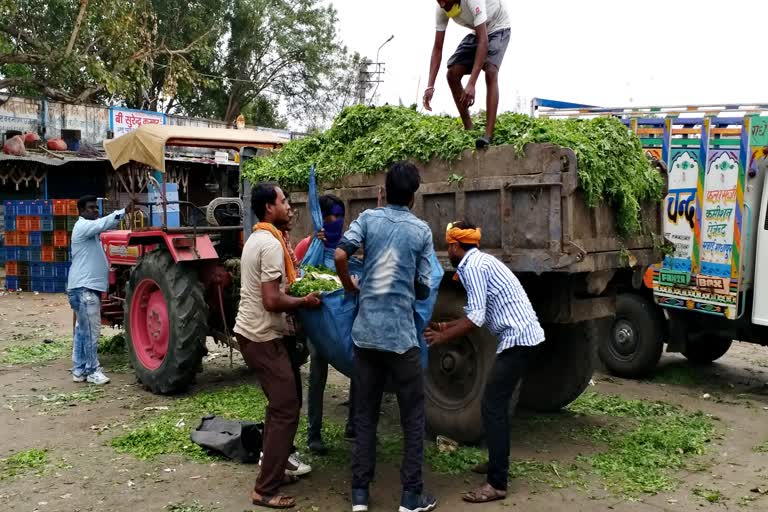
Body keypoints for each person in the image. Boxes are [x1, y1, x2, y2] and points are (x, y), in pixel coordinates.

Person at [335, 162, 437, 512]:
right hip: (401, 339)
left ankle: (360, 495)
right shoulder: (421, 231)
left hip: (365, 337)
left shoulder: (367, 220)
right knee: (412, 418)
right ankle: (411, 497)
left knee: (365, 415)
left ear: (385, 189)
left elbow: (339, 254)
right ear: (413, 195)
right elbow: (424, 288)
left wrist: (351, 285)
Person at [424, 220, 544, 504]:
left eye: (447, 245)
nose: (447, 250)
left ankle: (497, 483)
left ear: (454, 245)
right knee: (495, 405)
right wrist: (443, 327)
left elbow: (475, 319)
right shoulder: (482, 261)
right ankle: (496, 464)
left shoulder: (471, 268)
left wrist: (441, 340)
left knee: (491, 405)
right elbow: (476, 315)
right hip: (523, 337)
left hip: (519, 339)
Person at [234, 182, 321, 509]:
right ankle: (264, 490)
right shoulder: (269, 245)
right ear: (269, 208)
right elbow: (271, 300)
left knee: (280, 406)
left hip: (256, 334)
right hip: (261, 336)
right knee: (286, 408)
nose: (289, 207)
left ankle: (276, 466)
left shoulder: (260, 238)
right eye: (284, 201)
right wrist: (304, 301)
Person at [295, 194, 357, 454]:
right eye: (332, 216)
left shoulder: (345, 246)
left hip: (344, 321)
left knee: (357, 367)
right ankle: (314, 434)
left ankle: (353, 425)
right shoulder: (308, 246)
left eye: (341, 217)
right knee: (318, 374)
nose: (337, 222)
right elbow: (297, 279)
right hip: (320, 326)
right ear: (320, 217)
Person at [423, 0, 511, 149]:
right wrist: (430, 86)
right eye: (439, 1)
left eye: (445, 1)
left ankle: (488, 136)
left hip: (498, 27)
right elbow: (437, 48)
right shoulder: (442, 8)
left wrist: (471, 83)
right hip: (477, 31)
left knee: (490, 71)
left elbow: (483, 41)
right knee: (452, 74)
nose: (443, 4)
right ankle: (469, 128)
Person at [67, 195, 125, 385]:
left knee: (83, 331)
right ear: (82, 211)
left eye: (96, 208)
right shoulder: (83, 226)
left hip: (82, 287)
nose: (95, 211)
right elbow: (103, 224)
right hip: (85, 289)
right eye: (91, 208)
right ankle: (92, 370)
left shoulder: (89, 232)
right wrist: (123, 212)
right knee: (91, 331)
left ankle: (79, 370)